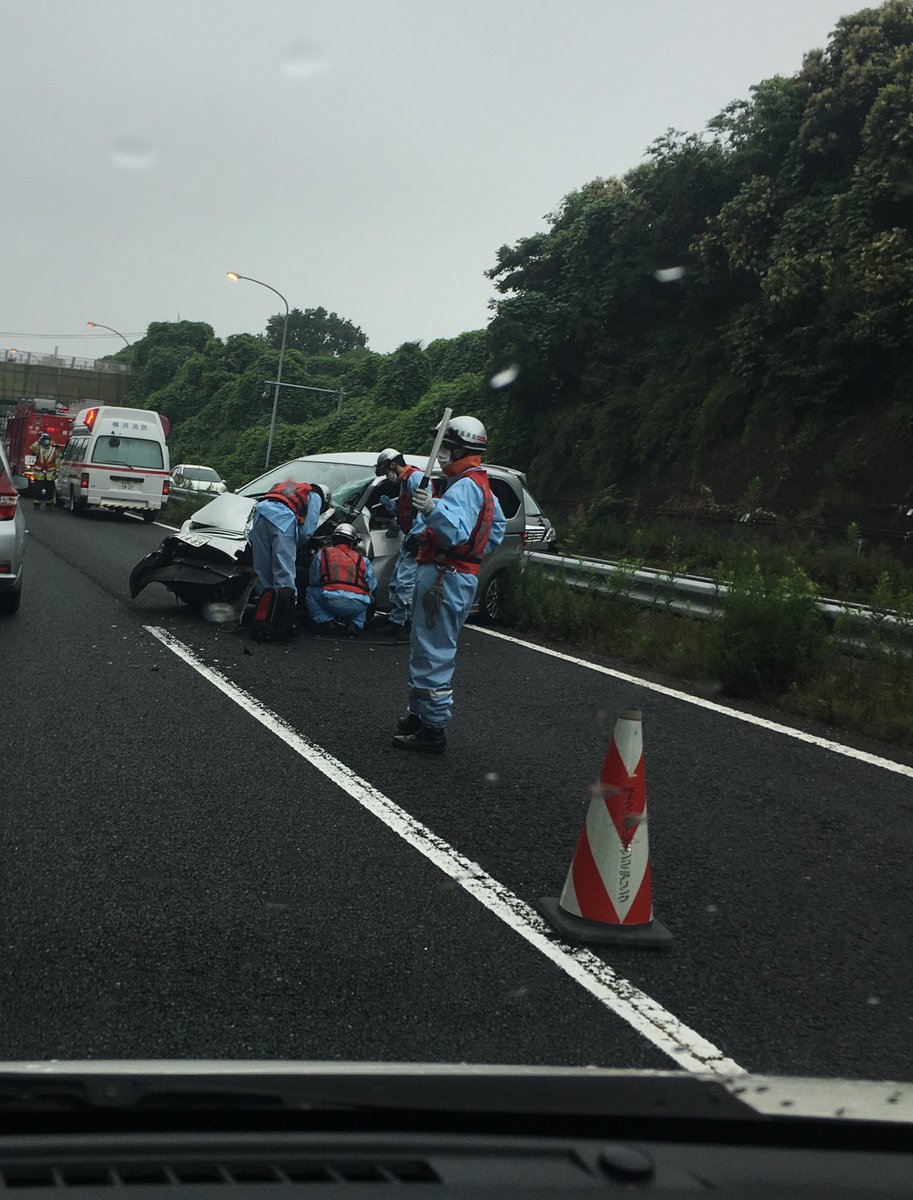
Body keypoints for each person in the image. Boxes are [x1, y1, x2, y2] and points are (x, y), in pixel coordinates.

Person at [393, 415, 506, 753]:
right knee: (426, 646)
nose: (441, 454)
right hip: (456, 575)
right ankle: (419, 714)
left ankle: (432, 728)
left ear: (461, 448)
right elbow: (493, 532)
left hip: (445, 575)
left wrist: (431, 511)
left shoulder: (466, 487)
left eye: (446, 447)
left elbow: (455, 531)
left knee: (433, 653)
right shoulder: (481, 486)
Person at [247, 479, 330, 602]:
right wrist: (296, 543)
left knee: (262, 566)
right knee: (283, 567)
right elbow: (308, 529)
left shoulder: (291, 487)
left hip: (261, 513)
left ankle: (262, 600)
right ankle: (286, 602)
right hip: (283, 518)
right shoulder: (315, 495)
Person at [374, 447, 423, 640]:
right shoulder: (404, 483)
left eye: (386, 470)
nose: (388, 475)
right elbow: (406, 511)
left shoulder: (416, 478)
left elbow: (425, 510)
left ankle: (407, 624)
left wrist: (418, 536)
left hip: (417, 539)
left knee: (406, 583)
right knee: (397, 581)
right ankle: (396, 621)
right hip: (409, 536)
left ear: (393, 464)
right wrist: (390, 506)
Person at [306, 522, 377, 636]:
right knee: (366, 596)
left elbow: (314, 579)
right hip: (358, 605)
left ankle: (325, 622)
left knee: (311, 591)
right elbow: (371, 586)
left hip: (331, 601)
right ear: (353, 542)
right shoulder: (363, 560)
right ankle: (356, 625)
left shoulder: (323, 554)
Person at [30, 433, 59, 510]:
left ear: (49, 441)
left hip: (50, 474)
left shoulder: (54, 449)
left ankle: (49, 504)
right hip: (39, 474)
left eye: (47, 440)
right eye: (44, 440)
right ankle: (36, 504)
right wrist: (38, 440)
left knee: (50, 491)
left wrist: (57, 471)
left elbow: (57, 461)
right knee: (37, 490)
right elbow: (32, 448)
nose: (46, 442)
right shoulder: (39, 448)